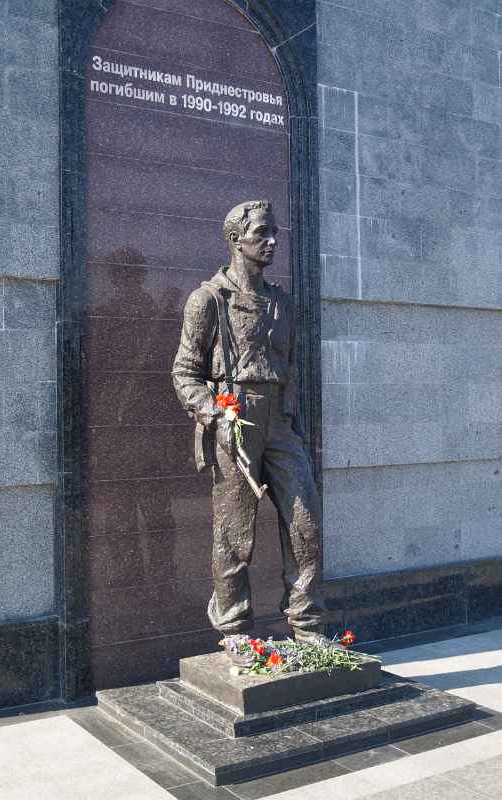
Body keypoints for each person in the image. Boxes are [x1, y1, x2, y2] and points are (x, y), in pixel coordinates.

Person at [172, 200, 326, 659]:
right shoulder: (208, 300)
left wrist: (293, 423)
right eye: (262, 233)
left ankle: (308, 624)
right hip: (234, 419)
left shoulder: (282, 303)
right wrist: (214, 414)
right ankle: (235, 626)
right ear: (236, 240)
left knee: (306, 521)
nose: (272, 241)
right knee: (235, 531)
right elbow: (184, 372)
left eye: (275, 232)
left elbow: (292, 367)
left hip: (280, 422)